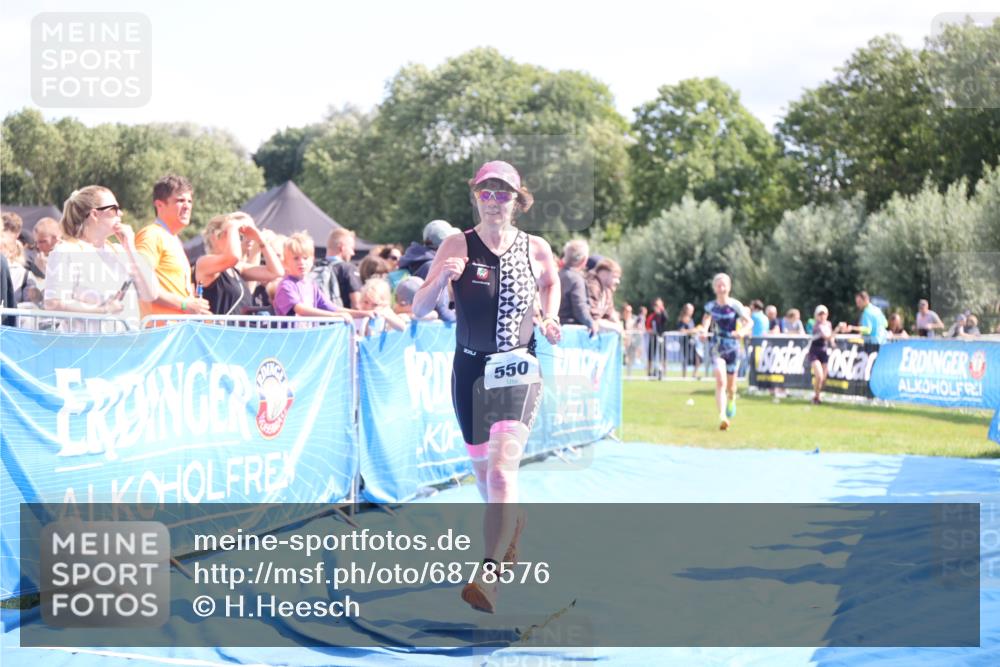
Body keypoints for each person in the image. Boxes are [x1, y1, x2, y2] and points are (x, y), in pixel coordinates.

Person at [411, 160, 561, 614]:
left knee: (500, 471)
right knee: (483, 474)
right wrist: (441, 278)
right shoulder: (458, 243)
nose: (494, 202)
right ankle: (510, 527)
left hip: (518, 368)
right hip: (470, 371)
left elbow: (551, 283)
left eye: (504, 194)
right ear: (475, 196)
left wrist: (550, 316)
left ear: (519, 200)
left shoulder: (536, 248)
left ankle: (489, 575)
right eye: (486, 193)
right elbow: (419, 309)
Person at [43, 186, 156, 331]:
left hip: (125, 345)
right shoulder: (66, 250)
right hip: (85, 347)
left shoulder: (119, 251)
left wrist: (131, 249)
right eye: (114, 209)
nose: (120, 213)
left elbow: (150, 294)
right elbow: (53, 304)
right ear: (95, 214)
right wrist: (102, 310)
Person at [135, 175, 210, 319]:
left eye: (189, 201)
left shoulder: (173, 238)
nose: (187, 206)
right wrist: (185, 305)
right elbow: (142, 284)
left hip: (176, 331)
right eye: (180, 200)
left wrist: (193, 304)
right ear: (160, 205)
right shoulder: (151, 235)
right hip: (159, 333)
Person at [195, 212, 283, 317]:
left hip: (239, 331)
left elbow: (276, 272)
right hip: (218, 331)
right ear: (215, 237)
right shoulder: (204, 262)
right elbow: (233, 257)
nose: (238, 239)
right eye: (237, 235)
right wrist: (232, 226)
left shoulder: (237, 268)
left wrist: (260, 240)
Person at [697, 273, 751, 430]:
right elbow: (706, 319)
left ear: (729, 287)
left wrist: (742, 332)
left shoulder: (735, 305)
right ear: (714, 288)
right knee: (720, 380)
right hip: (717, 345)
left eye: (724, 285)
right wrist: (704, 331)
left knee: (730, 386)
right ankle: (722, 416)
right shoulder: (710, 306)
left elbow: (750, 322)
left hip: (733, 347)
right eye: (718, 285)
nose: (721, 288)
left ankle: (732, 398)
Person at [272, 232, 353, 325]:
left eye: (305, 258)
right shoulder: (285, 286)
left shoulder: (311, 286)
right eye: (296, 258)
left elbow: (334, 308)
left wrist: (365, 313)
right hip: (289, 338)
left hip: (307, 337)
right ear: (285, 262)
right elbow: (300, 310)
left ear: (312, 260)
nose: (301, 262)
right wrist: (334, 316)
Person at [311, 228, 363, 309]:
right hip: (342, 319)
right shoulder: (348, 268)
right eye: (351, 248)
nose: (353, 253)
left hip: (317, 318)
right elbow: (357, 304)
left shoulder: (314, 267)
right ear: (342, 247)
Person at [557, 239, 597, 334]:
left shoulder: (558, 275)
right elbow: (579, 307)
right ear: (584, 260)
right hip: (572, 332)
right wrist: (591, 323)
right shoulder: (576, 279)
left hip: (557, 328)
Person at [807, 305, 835, 404]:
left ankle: (817, 396)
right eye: (820, 314)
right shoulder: (817, 325)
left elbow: (830, 338)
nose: (822, 316)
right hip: (814, 351)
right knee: (819, 375)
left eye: (824, 314)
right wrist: (838, 330)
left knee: (823, 378)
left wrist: (833, 342)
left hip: (824, 351)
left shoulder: (828, 324)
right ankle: (816, 397)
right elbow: (827, 336)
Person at [585, 257, 622, 331]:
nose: (618, 281)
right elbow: (592, 318)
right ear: (604, 274)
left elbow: (609, 313)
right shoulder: (592, 287)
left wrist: (619, 325)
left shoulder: (607, 291)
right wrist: (616, 327)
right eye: (615, 277)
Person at [677, 302, 702, 378]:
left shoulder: (691, 319)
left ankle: (694, 375)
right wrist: (693, 330)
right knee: (685, 359)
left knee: (698, 358)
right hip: (685, 341)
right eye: (691, 310)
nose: (692, 312)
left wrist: (696, 330)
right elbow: (681, 330)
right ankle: (684, 376)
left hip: (692, 341)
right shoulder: (682, 319)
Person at [646, 298, 669, 377]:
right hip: (653, 338)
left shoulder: (663, 314)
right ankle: (649, 372)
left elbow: (666, 319)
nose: (657, 307)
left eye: (659, 305)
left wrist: (662, 309)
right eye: (656, 305)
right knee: (650, 354)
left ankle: (664, 372)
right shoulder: (652, 316)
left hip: (662, 337)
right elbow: (647, 326)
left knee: (663, 354)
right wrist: (650, 330)